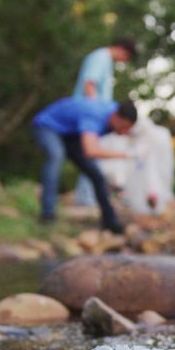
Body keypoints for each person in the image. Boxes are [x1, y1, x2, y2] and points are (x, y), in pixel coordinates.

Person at [32, 97, 138, 233]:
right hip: (48, 127)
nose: (124, 132)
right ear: (116, 117)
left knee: (96, 175)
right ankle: (47, 215)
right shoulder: (95, 116)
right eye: (123, 127)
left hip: (72, 136)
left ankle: (110, 222)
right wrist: (127, 154)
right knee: (56, 156)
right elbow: (90, 150)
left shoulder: (116, 112)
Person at [72, 38, 138, 206]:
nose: (124, 61)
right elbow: (89, 84)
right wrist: (96, 111)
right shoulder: (100, 58)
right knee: (92, 154)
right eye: (126, 57)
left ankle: (86, 197)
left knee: (90, 155)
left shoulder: (106, 61)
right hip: (90, 116)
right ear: (121, 50)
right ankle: (86, 199)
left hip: (93, 116)